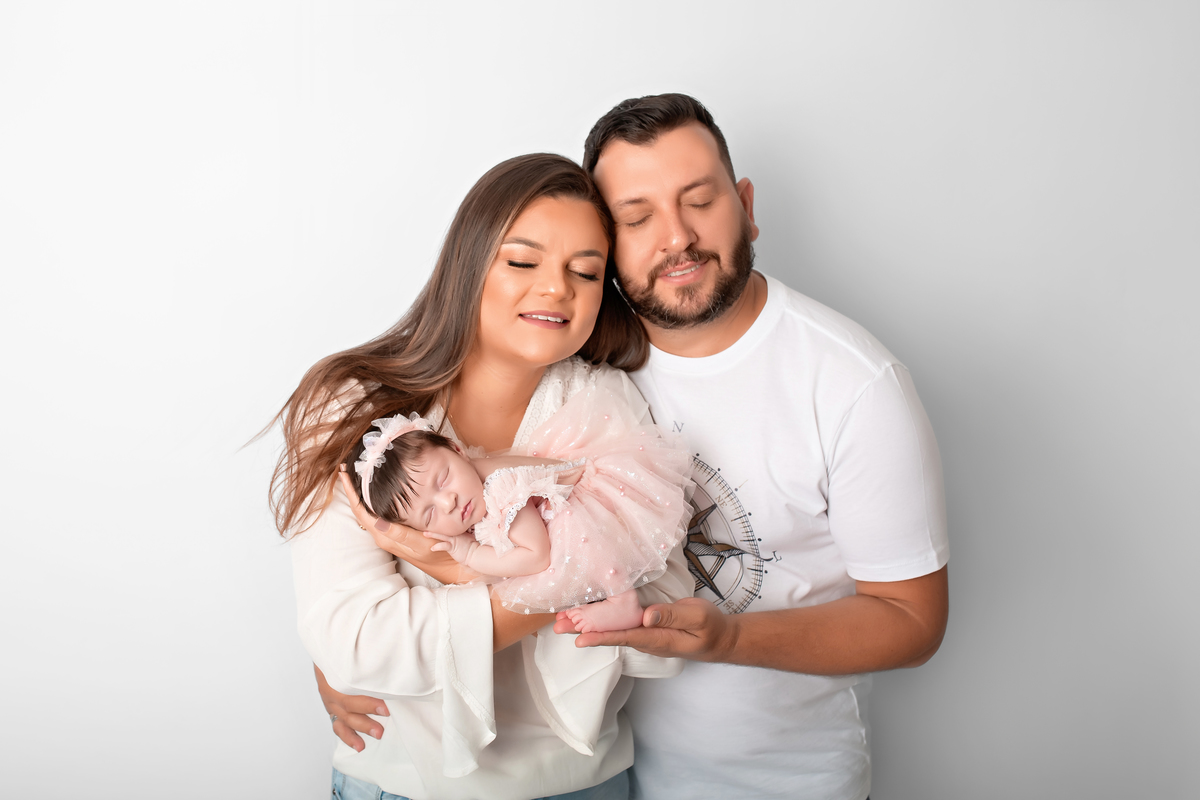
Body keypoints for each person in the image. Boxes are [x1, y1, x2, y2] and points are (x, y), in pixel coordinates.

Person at [321, 95, 950, 800]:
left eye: (700, 201)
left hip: (776, 780)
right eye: (638, 217)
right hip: (622, 771)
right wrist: (348, 651)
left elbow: (912, 621)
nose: (676, 237)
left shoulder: (851, 384)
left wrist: (729, 640)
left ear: (746, 206)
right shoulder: (586, 359)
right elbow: (354, 612)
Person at [270, 152, 692, 800]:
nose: (556, 289)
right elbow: (353, 642)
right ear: (468, 265)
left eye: (585, 272)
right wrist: (568, 579)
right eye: (523, 262)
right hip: (401, 784)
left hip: (583, 784)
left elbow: (661, 610)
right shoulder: (354, 406)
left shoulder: (604, 403)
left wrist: (448, 569)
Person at [344, 377, 692, 631]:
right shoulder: (474, 476)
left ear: (456, 449)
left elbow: (537, 556)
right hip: (564, 490)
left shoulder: (500, 489)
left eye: (443, 479)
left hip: (586, 501)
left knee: (578, 542)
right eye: (430, 513)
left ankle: (622, 601)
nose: (448, 502)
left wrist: (470, 553)